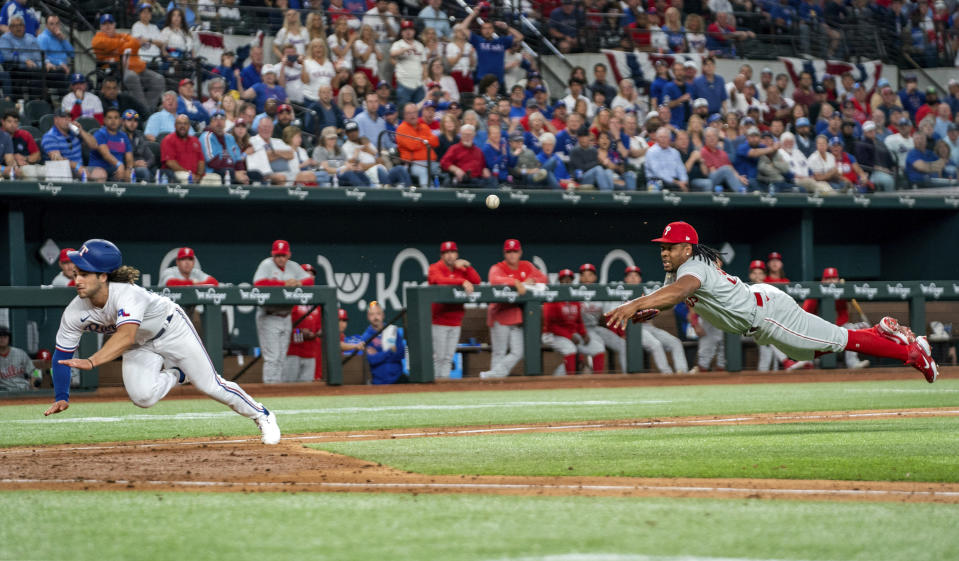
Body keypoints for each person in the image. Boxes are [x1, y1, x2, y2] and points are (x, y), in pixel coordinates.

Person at [605, 222, 939, 384]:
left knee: (841, 340)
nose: (664, 252)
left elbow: (682, 291)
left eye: (670, 246)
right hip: (761, 313)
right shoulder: (679, 269)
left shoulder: (692, 268)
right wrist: (650, 307)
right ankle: (882, 331)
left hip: (769, 313)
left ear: (687, 249)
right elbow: (671, 295)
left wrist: (634, 303)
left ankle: (911, 353)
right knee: (806, 353)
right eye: (662, 247)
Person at [46, 239, 281, 444]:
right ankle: (178, 373)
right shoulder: (74, 311)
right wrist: (61, 396)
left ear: (103, 276)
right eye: (76, 273)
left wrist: (92, 361)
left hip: (171, 329)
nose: (77, 279)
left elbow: (125, 335)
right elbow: (62, 355)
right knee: (143, 398)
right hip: (140, 344)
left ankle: (262, 415)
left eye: (84, 273)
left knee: (211, 385)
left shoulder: (128, 293)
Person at [480, 238, 548, 379]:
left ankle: (493, 376)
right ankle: (495, 381)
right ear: (504, 253)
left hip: (516, 317)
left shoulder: (527, 266)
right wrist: (516, 282)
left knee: (519, 351)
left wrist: (533, 280)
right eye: (509, 252)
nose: (512, 255)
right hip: (500, 315)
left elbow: (544, 279)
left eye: (515, 251)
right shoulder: (498, 267)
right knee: (499, 352)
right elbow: (494, 280)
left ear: (520, 252)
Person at [252, 240, 314, 384]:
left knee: (280, 358)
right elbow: (259, 284)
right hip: (269, 315)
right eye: (277, 255)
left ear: (289, 255)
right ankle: (270, 389)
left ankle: (276, 389)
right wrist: (284, 284)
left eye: (283, 255)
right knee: (272, 359)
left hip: (286, 316)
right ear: (272, 255)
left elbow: (309, 280)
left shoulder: (293, 266)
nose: (280, 258)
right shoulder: (266, 264)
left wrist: (299, 283)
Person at [427, 241, 481, 379]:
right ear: (442, 255)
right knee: (439, 357)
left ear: (456, 254)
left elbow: (477, 281)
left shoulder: (460, 269)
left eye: (452, 252)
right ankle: (433, 386)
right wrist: (461, 282)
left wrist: (467, 267)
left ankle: (443, 385)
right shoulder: (435, 267)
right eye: (446, 253)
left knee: (448, 357)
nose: (450, 255)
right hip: (439, 320)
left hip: (455, 320)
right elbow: (440, 281)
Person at [800, 267, 870, 370]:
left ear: (838, 280)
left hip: (836, 327)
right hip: (817, 329)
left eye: (833, 278)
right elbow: (805, 314)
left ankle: (853, 363)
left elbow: (843, 315)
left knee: (851, 329)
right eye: (828, 278)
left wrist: (835, 327)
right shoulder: (816, 292)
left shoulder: (842, 292)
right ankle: (807, 363)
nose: (831, 281)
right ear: (822, 281)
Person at [91, 14, 165, 110]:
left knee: (158, 79)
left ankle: (147, 110)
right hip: (118, 70)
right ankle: (144, 111)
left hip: (138, 68)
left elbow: (134, 44)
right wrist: (125, 44)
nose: (108, 26)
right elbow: (133, 44)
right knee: (132, 77)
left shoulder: (121, 35)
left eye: (110, 23)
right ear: (101, 27)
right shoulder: (98, 39)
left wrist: (118, 49)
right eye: (104, 24)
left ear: (114, 25)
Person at [541, 269, 600, 375]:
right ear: (560, 282)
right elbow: (551, 325)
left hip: (570, 335)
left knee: (597, 348)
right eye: (564, 280)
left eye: (569, 280)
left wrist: (583, 333)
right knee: (570, 349)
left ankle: (599, 381)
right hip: (550, 335)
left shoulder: (574, 299)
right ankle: (569, 381)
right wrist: (569, 336)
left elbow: (578, 321)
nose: (567, 282)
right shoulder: (553, 298)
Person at [460, 9, 523, 89]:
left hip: (499, 80)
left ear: (493, 30)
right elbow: (462, 27)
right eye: (484, 28)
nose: (487, 31)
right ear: (481, 31)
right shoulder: (478, 41)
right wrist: (474, 14)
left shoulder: (502, 41)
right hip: (483, 80)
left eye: (489, 28)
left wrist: (506, 27)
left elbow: (520, 37)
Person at [41, 109, 103, 181]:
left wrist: (81, 131)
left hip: (79, 169)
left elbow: (94, 145)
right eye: (63, 117)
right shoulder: (50, 136)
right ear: (56, 120)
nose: (67, 119)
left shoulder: (74, 132)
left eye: (69, 117)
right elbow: (57, 159)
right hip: (61, 171)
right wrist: (77, 166)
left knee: (100, 174)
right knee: (85, 173)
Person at [362, 301, 407, 385]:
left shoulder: (392, 330)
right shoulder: (366, 336)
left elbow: (401, 353)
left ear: (383, 315)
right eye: (372, 314)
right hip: (379, 381)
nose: (375, 317)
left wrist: (379, 354)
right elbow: (372, 360)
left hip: (398, 379)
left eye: (378, 314)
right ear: (368, 317)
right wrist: (390, 352)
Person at [396, 102, 439, 187]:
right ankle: (429, 197)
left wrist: (419, 139)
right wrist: (426, 141)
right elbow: (411, 145)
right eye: (409, 113)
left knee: (445, 171)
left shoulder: (424, 127)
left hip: (432, 162)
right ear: (404, 115)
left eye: (414, 112)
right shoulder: (401, 129)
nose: (413, 115)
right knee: (423, 172)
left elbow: (435, 141)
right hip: (414, 164)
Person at [200, 109, 249, 184]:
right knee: (230, 173)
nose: (219, 122)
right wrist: (235, 173)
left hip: (230, 170)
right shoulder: (206, 136)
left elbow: (238, 160)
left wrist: (241, 172)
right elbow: (212, 162)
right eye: (215, 119)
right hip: (213, 172)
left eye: (222, 119)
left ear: (225, 122)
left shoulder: (229, 137)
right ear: (210, 123)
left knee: (255, 174)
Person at [89, 107, 134, 182]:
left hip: (118, 169)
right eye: (110, 118)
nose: (113, 121)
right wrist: (119, 165)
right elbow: (106, 155)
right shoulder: (100, 134)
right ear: (105, 120)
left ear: (120, 120)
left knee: (139, 173)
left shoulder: (124, 136)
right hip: (100, 168)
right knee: (103, 174)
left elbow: (129, 157)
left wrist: (129, 169)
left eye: (116, 118)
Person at [160, 115, 206, 183]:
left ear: (189, 126)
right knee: (186, 178)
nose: (182, 126)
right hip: (176, 174)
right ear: (175, 125)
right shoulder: (168, 140)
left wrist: (199, 175)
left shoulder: (195, 140)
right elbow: (170, 163)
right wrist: (189, 174)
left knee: (214, 179)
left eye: (185, 123)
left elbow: (201, 161)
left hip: (196, 175)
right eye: (179, 123)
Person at [36, 14, 72, 95]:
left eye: (57, 23)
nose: (55, 26)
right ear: (46, 25)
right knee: (62, 76)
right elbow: (42, 56)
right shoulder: (43, 38)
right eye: (51, 24)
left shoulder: (59, 37)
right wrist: (60, 63)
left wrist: (63, 40)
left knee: (86, 82)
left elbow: (72, 54)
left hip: (65, 69)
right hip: (52, 70)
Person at [645, 127, 688, 191]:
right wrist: (676, 182)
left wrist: (684, 181)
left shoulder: (675, 152)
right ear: (657, 138)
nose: (663, 140)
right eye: (661, 137)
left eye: (665, 137)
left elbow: (681, 169)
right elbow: (658, 173)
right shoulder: (651, 152)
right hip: (656, 181)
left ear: (669, 139)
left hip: (675, 182)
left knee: (686, 187)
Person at [2, 109, 40, 179]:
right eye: (9, 121)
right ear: (3, 122)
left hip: (26, 166)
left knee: (37, 171)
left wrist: (25, 158)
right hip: (5, 168)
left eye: (15, 122)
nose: (12, 125)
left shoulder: (25, 135)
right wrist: (15, 159)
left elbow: (37, 155)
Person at [0, 325, 37, 392]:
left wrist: (32, 384)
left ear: (9, 338)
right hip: (4, 392)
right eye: (0, 337)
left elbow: (35, 372)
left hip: (23, 389)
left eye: (5, 336)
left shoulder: (20, 353)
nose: (2, 339)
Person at [122, 109, 154, 180]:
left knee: (161, 173)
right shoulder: (118, 136)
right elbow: (117, 157)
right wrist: (134, 164)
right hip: (126, 167)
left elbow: (151, 157)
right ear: (123, 121)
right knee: (143, 172)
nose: (132, 123)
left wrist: (145, 164)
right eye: (129, 120)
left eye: (135, 121)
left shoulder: (140, 135)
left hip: (142, 166)